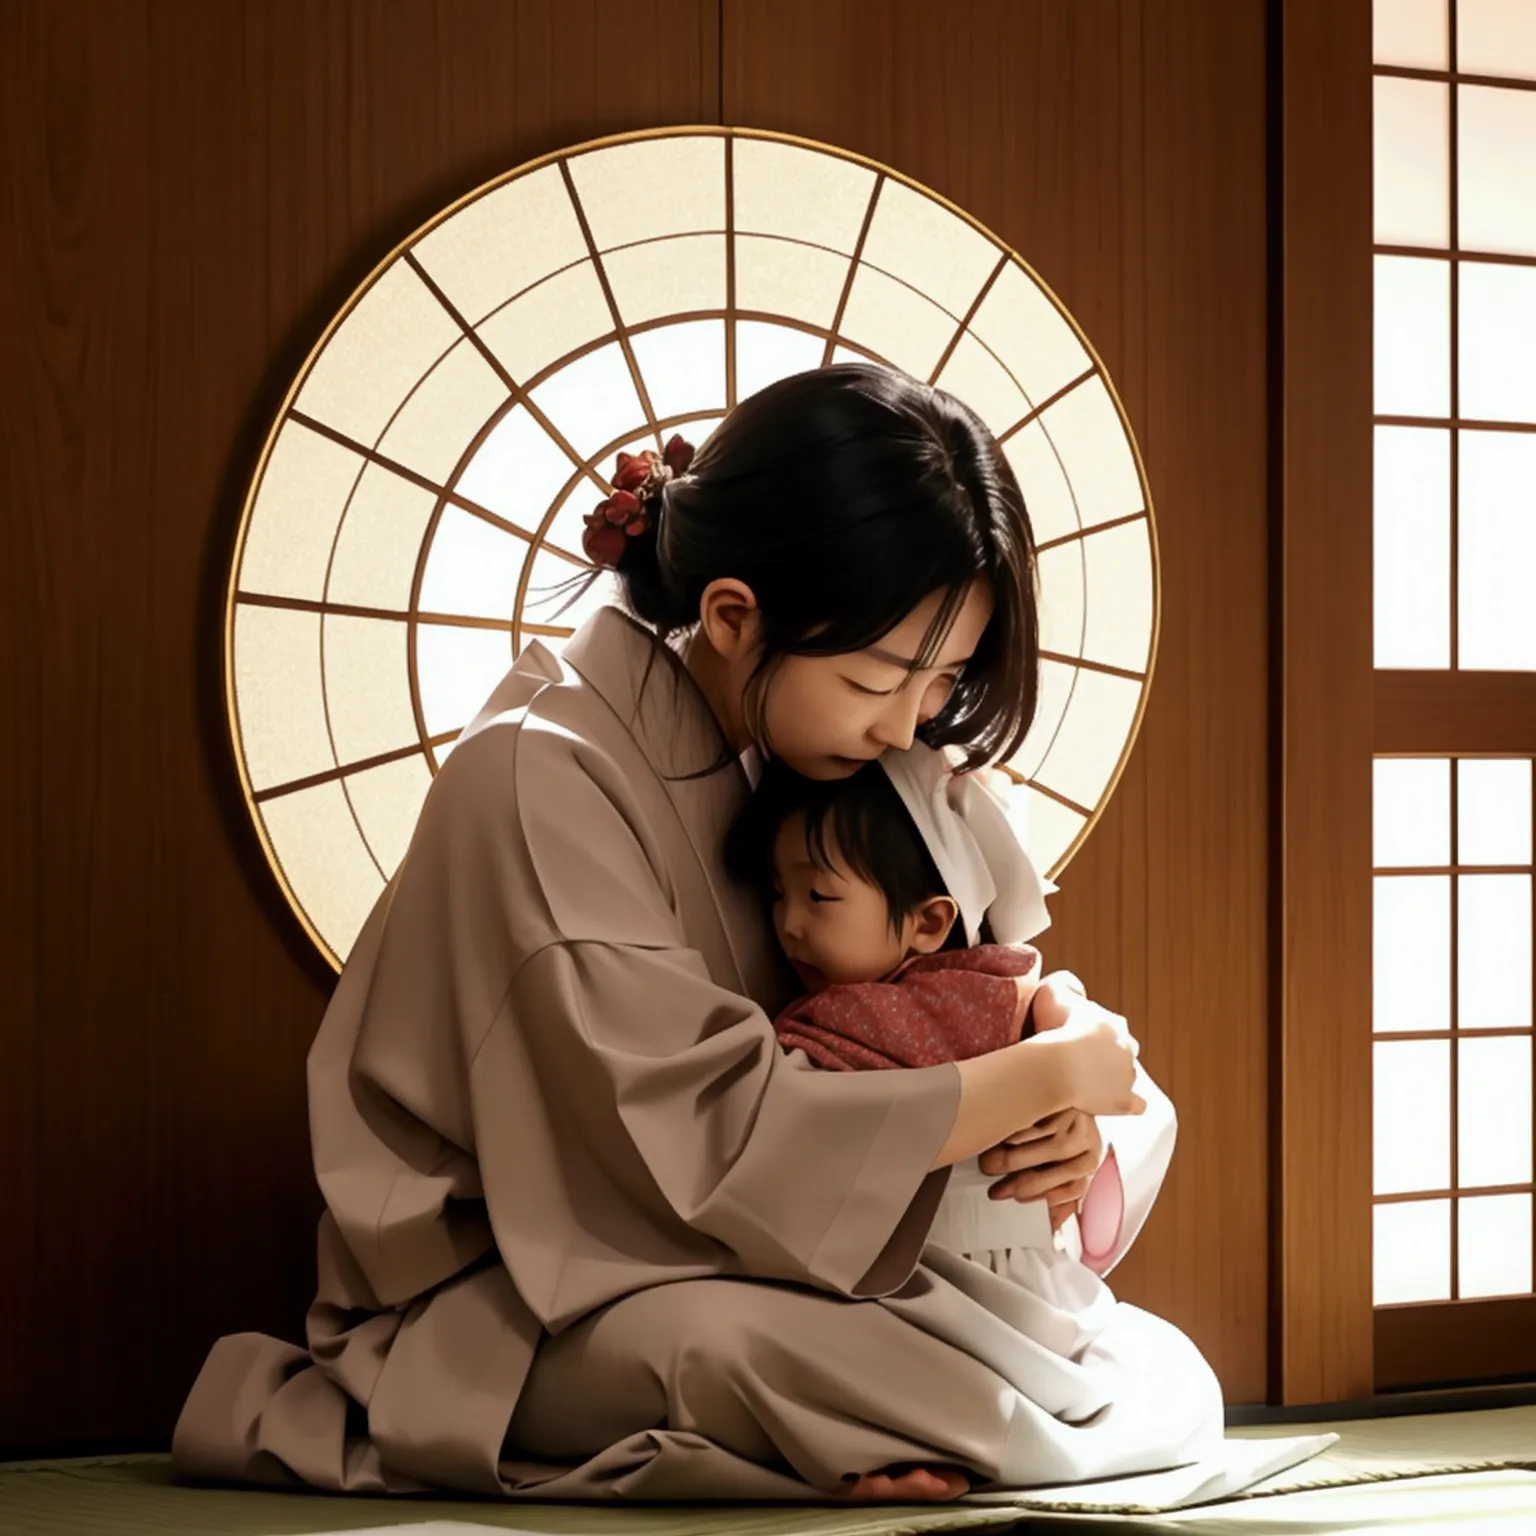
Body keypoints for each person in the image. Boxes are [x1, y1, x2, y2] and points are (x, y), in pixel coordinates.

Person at [172, 364, 1221, 1504]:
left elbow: (969, 978)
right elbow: (697, 1143)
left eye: (944, 679)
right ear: (732, 616)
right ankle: (853, 1435)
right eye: (878, 676)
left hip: (783, 1249)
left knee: (1157, 1373)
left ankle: (849, 1445)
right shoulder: (541, 771)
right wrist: (1021, 1081)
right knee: (756, 1355)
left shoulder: (840, 753)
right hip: (533, 1288)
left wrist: (1062, 1075)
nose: (912, 722)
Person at [724, 745, 1131, 1267]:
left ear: (931, 922)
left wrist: (1072, 1023)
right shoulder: (999, 991)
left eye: (819, 896)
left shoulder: (896, 1010)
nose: (788, 924)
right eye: (779, 894)